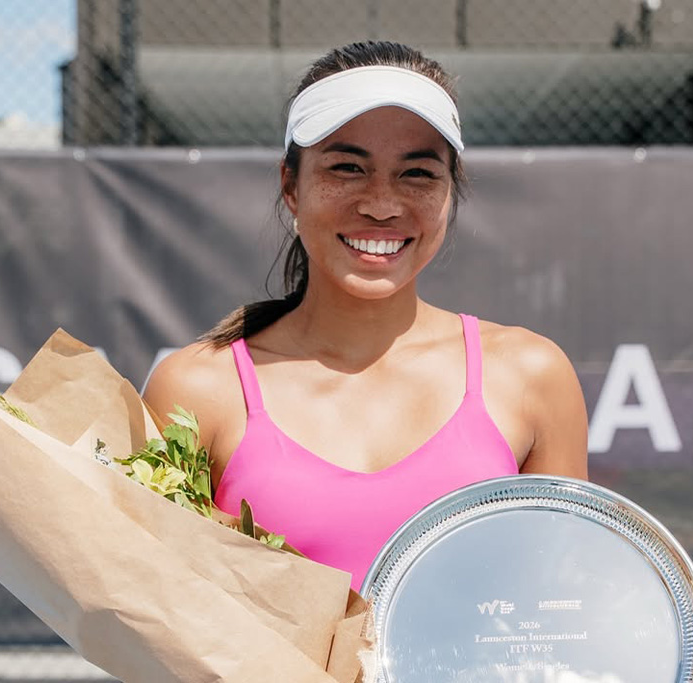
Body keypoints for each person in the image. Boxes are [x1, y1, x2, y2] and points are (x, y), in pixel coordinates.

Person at [143, 41, 588, 591]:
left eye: (417, 173)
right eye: (348, 168)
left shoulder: (532, 376)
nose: (382, 204)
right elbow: (155, 608)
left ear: (450, 192)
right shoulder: (197, 388)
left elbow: (565, 606)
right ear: (291, 186)